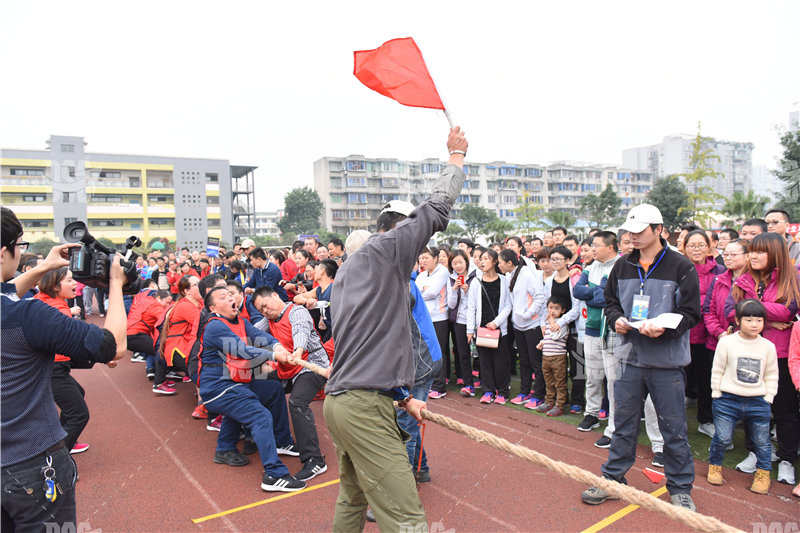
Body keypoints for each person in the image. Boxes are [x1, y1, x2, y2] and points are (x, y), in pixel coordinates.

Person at [323, 126, 467, 532]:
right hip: (363, 407)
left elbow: (371, 345)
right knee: (406, 518)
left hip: (344, 400)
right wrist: (456, 158)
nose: (419, 245)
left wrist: (403, 396)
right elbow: (436, 209)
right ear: (399, 229)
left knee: (352, 499)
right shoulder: (388, 250)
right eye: (413, 235)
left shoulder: (349, 273)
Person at [1, 207, 127, 532]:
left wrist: (43, 267)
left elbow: (4, 294)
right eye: (20, 243)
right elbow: (113, 346)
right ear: (5, 251)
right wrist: (116, 283)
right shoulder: (28, 315)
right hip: (30, 463)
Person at [581, 203, 701, 512]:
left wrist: (665, 329)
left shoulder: (681, 265)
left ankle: (680, 487)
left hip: (667, 363)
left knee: (673, 428)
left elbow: (691, 314)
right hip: (628, 359)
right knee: (623, 424)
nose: (632, 236)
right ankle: (613, 479)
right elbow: (610, 302)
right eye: (629, 231)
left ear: (659, 230)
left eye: (639, 231)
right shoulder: (622, 266)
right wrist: (617, 318)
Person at [198, 286, 305, 491]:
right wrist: (275, 356)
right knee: (259, 415)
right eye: (223, 297)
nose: (231, 298)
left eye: (231, 294)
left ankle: (235, 447)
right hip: (219, 387)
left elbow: (260, 336)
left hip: (238, 381)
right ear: (213, 308)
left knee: (272, 389)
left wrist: (278, 347)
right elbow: (242, 350)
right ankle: (274, 474)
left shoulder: (240, 321)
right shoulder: (215, 326)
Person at [726, 232, 800, 485]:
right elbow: (729, 311)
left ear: (776, 253)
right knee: (751, 408)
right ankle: (755, 452)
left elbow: (789, 309)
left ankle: (787, 457)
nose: (754, 255)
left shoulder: (791, 279)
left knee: (784, 410)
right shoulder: (743, 279)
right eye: (752, 251)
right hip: (749, 353)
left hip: (780, 355)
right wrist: (768, 317)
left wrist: (751, 309)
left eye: (761, 251)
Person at [253, 286, 332, 482]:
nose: (265, 311)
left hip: (310, 366)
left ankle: (315, 460)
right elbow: (251, 333)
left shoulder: (296, 311)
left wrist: (298, 351)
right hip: (286, 368)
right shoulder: (268, 320)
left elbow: (301, 330)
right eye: (260, 310)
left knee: (297, 402)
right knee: (255, 380)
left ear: (274, 296)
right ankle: (279, 438)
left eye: (265, 306)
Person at [707, 299, 778, 494]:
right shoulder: (727, 342)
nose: (754, 324)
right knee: (722, 437)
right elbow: (718, 369)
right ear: (738, 320)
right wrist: (716, 393)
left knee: (762, 441)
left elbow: (772, 374)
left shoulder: (768, 347)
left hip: (758, 401)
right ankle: (715, 465)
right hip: (727, 400)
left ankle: (763, 474)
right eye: (749, 320)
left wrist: (768, 397)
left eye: (759, 320)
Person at [35, 268, 93, 454]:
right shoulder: (59, 310)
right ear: (54, 285)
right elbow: (75, 342)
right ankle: (58, 458)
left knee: (78, 394)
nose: (75, 283)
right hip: (53, 368)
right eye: (69, 280)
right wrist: (104, 354)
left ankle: (65, 438)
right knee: (79, 414)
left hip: (45, 366)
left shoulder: (41, 301)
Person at [682, 229, 726, 438]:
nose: (696, 249)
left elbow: (717, 301)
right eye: (692, 245)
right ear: (685, 248)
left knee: (705, 378)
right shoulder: (679, 269)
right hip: (681, 331)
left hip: (707, 333)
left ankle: (705, 419)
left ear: (710, 247)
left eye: (701, 245)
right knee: (678, 377)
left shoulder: (720, 271)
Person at [497, 249, 546, 406]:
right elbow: (512, 300)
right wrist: (516, 318)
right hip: (518, 325)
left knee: (536, 362)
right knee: (524, 360)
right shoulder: (509, 275)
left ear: (509, 263)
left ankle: (538, 395)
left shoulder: (527, 274)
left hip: (532, 325)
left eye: (500, 262)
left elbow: (540, 298)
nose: (498, 265)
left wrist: (527, 314)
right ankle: (525, 392)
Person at [466, 249, 513, 404]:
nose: (482, 261)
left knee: (500, 362)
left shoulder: (504, 280)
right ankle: (488, 391)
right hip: (481, 329)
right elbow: (471, 307)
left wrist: (496, 322)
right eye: (481, 259)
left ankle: (503, 391)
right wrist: (469, 329)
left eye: (486, 258)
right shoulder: (475, 282)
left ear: (494, 262)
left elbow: (508, 305)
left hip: (499, 329)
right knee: (484, 362)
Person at [155, 275, 201, 394]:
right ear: (186, 291)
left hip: (185, 345)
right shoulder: (185, 306)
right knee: (202, 373)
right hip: (179, 347)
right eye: (196, 284)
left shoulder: (196, 304)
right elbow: (204, 324)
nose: (200, 286)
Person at [416, 247, 452, 398]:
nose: (423, 261)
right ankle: (432, 382)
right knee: (428, 352)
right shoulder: (422, 274)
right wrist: (423, 290)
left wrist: (423, 290)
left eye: (426, 258)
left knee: (439, 352)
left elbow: (431, 292)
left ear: (435, 258)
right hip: (426, 317)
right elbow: (415, 291)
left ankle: (440, 386)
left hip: (439, 317)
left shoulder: (442, 271)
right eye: (421, 258)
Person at [448, 249, 479, 396]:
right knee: (463, 354)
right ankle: (468, 385)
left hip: (476, 321)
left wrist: (468, 291)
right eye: (454, 263)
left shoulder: (476, 276)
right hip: (460, 321)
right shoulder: (451, 279)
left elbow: (478, 301)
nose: (458, 266)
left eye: (460, 262)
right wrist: (455, 290)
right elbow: (452, 305)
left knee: (481, 353)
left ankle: (487, 384)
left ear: (466, 262)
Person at [534, 297, 570, 416]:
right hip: (546, 357)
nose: (552, 311)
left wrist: (551, 321)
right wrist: (542, 342)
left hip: (558, 358)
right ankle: (549, 402)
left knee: (559, 383)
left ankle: (559, 405)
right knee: (549, 382)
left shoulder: (562, 324)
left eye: (556, 308)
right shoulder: (549, 322)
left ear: (563, 310)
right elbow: (548, 337)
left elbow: (555, 336)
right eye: (550, 308)